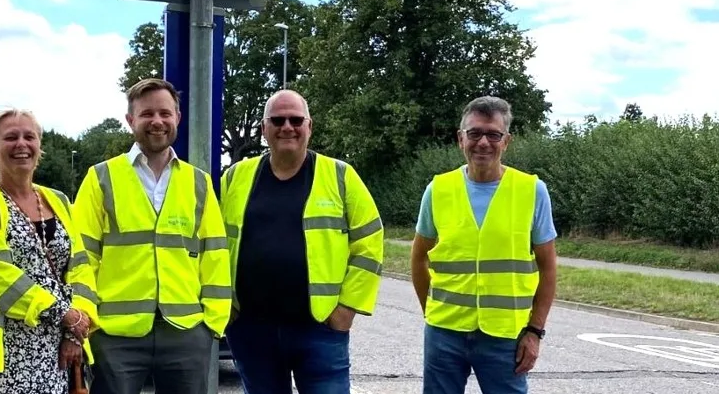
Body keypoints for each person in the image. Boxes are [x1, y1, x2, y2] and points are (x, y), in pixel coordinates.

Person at [72, 78, 231, 394]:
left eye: (165, 113)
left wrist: (212, 324)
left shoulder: (198, 183)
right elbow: (80, 256)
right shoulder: (100, 178)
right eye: (146, 114)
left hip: (186, 332)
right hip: (115, 335)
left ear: (177, 118)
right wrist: (87, 319)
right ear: (131, 120)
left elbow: (215, 253)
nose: (157, 121)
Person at [220, 89, 384, 394]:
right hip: (251, 330)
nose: (287, 127)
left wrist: (346, 310)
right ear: (263, 129)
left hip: (320, 329)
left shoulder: (340, 175)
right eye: (277, 120)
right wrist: (229, 309)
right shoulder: (234, 177)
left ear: (309, 126)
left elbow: (370, 243)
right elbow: (214, 245)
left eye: (296, 120)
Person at [411, 96, 558, 394]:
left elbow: (548, 267)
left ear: (507, 142)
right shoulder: (437, 189)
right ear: (460, 139)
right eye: (475, 133)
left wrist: (534, 331)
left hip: (505, 336)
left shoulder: (532, 191)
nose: (483, 143)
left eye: (493, 134)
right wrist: (431, 310)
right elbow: (418, 258)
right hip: (445, 333)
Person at [0, 108, 99, 394]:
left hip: (54, 354)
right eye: (11, 137)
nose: (22, 144)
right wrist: (65, 314)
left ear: (39, 146)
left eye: (29, 136)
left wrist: (74, 332)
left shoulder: (58, 200)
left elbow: (80, 267)